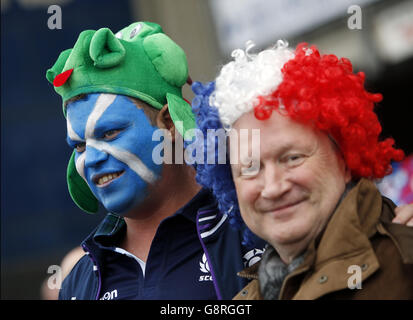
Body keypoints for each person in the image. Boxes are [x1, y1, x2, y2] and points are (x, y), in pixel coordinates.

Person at [46, 22, 265, 300]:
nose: (93, 159)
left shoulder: (253, 226)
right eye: (80, 146)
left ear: (170, 123)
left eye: (110, 133)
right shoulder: (79, 281)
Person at [192, 41, 413, 299]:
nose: (273, 187)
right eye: (250, 168)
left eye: (292, 158)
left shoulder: (405, 264)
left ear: (344, 158)